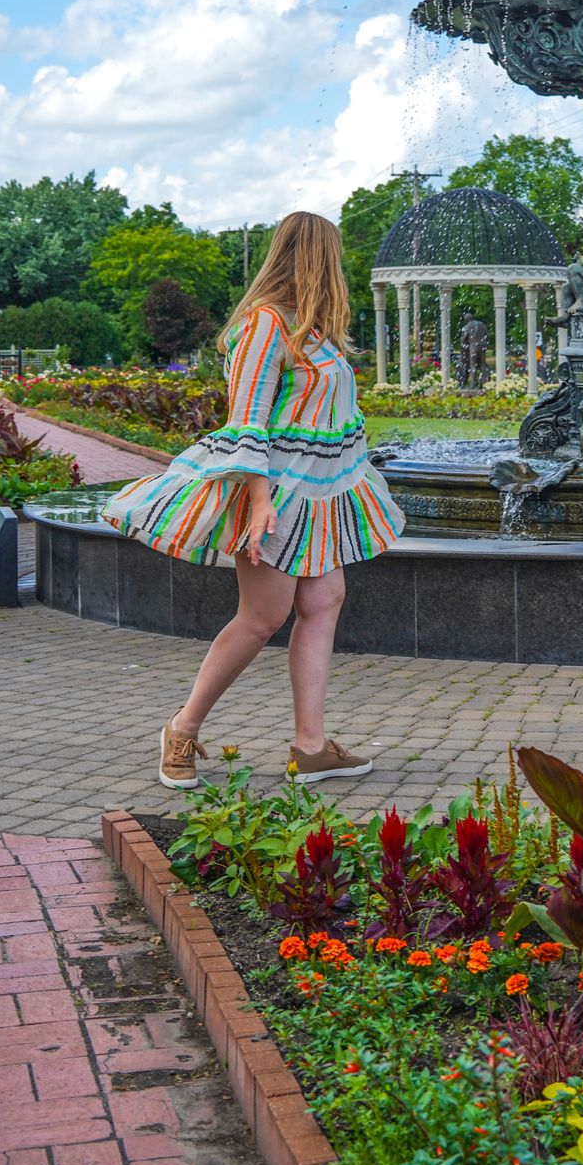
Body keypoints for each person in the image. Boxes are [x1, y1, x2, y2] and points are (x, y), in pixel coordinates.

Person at [102, 211, 405, 791]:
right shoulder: (265, 324)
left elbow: (333, 420)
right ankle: (182, 730)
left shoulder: (314, 335)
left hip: (318, 496)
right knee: (261, 616)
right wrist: (259, 500)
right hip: (274, 492)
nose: (339, 269)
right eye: (333, 256)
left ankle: (311, 747)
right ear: (315, 257)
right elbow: (247, 422)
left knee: (324, 601)